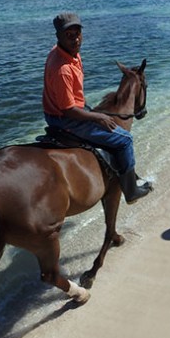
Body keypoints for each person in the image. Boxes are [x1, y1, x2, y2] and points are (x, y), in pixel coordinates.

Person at [42, 12, 153, 203]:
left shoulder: (66, 52)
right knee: (125, 139)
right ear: (58, 36)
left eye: (78, 33)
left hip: (60, 109)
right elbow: (68, 110)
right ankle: (131, 191)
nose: (75, 39)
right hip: (65, 117)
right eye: (69, 35)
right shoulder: (63, 69)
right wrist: (97, 118)